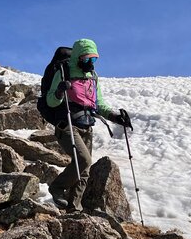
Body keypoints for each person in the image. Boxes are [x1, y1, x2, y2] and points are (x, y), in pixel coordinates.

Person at [45, 38, 131, 210]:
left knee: (84, 171)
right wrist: (60, 91)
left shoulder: (93, 78)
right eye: (87, 59)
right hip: (67, 124)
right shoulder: (63, 72)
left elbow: (99, 104)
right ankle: (57, 187)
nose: (91, 63)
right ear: (77, 57)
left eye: (94, 59)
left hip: (86, 125)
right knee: (83, 160)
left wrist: (115, 117)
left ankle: (73, 208)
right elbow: (50, 101)